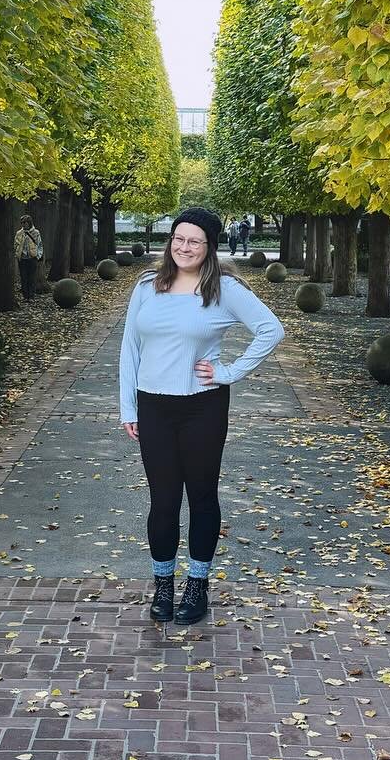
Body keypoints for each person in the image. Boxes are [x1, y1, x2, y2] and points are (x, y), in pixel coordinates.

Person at [119, 206, 284, 625]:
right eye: (178, 238)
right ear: (169, 241)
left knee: (202, 496)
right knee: (163, 500)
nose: (184, 247)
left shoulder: (223, 289)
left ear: (209, 247)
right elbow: (130, 349)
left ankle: (197, 584)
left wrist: (228, 372)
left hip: (202, 407)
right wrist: (128, 406)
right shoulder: (146, 286)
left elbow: (271, 329)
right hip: (153, 405)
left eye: (194, 241)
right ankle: (163, 586)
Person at [14, 213, 44, 303]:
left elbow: (40, 245)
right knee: (23, 278)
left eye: (25, 223)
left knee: (31, 278)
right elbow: (15, 244)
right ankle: (25, 296)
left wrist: (38, 256)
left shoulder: (36, 232)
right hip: (22, 258)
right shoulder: (19, 233)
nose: (23, 224)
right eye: (22, 223)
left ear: (29, 223)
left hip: (32, 258)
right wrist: (17, 253)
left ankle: (31, 296)